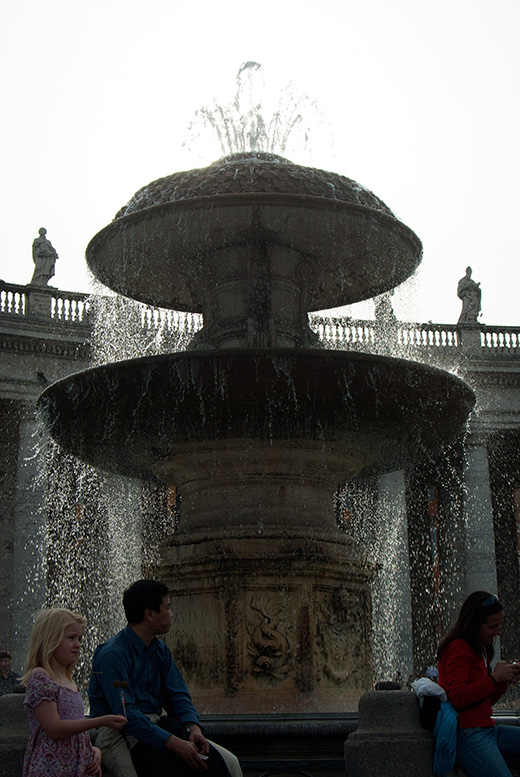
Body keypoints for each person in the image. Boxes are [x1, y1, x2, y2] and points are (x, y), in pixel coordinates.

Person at [89, 579, 240, 777]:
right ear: (149, 614)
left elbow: (177, 695)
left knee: (231, 763)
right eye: (167, 608)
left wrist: (193, 728)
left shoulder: (160, 650)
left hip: (158, 727)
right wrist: (173, 742)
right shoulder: (112, 655)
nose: (172, 614)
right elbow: (126, 714)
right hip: (119, 734)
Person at [22, 608, 126, 777]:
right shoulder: (41, 677)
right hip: (51, 767)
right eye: (71, 638)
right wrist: (101, 721)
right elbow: (54, 729)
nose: (78, 644)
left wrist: (94, 751)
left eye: (80, 638)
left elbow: (75, 735)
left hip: (76, 766)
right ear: (50, 639)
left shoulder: (69, 682)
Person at [437, 590, 520, 777]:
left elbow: (484, 702)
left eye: (499, 626)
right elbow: (457, 698)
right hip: (469, 735)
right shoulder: (458, 647)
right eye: (492, 627)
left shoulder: (480, 648)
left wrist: (503, 680)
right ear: (475, 624)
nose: (498, 632)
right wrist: (494, 678)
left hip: (487, 729)